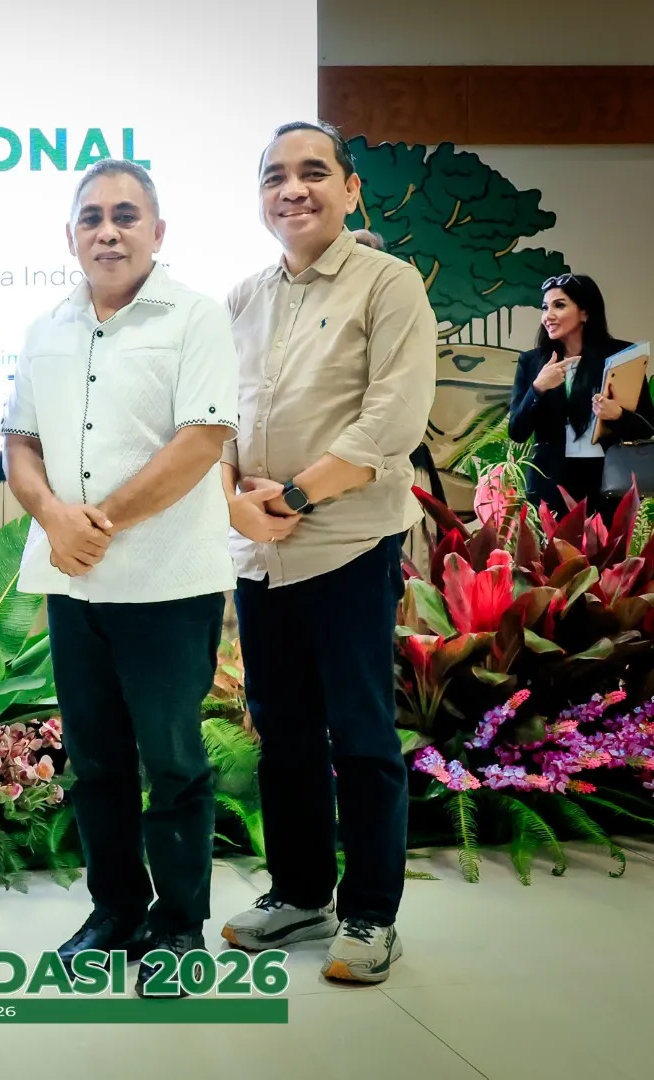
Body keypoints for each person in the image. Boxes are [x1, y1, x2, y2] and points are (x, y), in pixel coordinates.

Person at [0, 159, 238, 994]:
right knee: (95, 761)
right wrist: (54, 517)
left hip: (168, 583)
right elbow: (20, 441)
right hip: (76, 585)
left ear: (157, 231)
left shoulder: (197, 316)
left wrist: (97, 521)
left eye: (126, 216)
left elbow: (201, 440)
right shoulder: (45, 327)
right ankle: (114, 913)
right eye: (92, 217)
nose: (108, 231)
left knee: (172, 763)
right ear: (70, 235)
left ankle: (178, 927)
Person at [219, 121, 436, 985]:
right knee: (282, 734)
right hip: (262, 554)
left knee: (362, 733)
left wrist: (297, 496)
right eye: (275, 175)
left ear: (350, 190)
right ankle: (300, 892)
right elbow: (216, 417)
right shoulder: (242, 297)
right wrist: (234, 499)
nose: (293, 188)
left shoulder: (388, 284)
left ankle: (372, 912)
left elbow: (392, 418)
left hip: (347, 544)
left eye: (313, 172)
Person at [508, 273, 648, 514]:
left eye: (559, 305)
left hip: (608, 484)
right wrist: (538, 388)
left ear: (585, 313)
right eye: (545, 307)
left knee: (607, 540)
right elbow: (517, 432)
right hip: (550, 486)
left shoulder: (622, 356)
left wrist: (618, 415)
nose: (548, 316)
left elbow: (647, 427)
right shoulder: (532, 362)